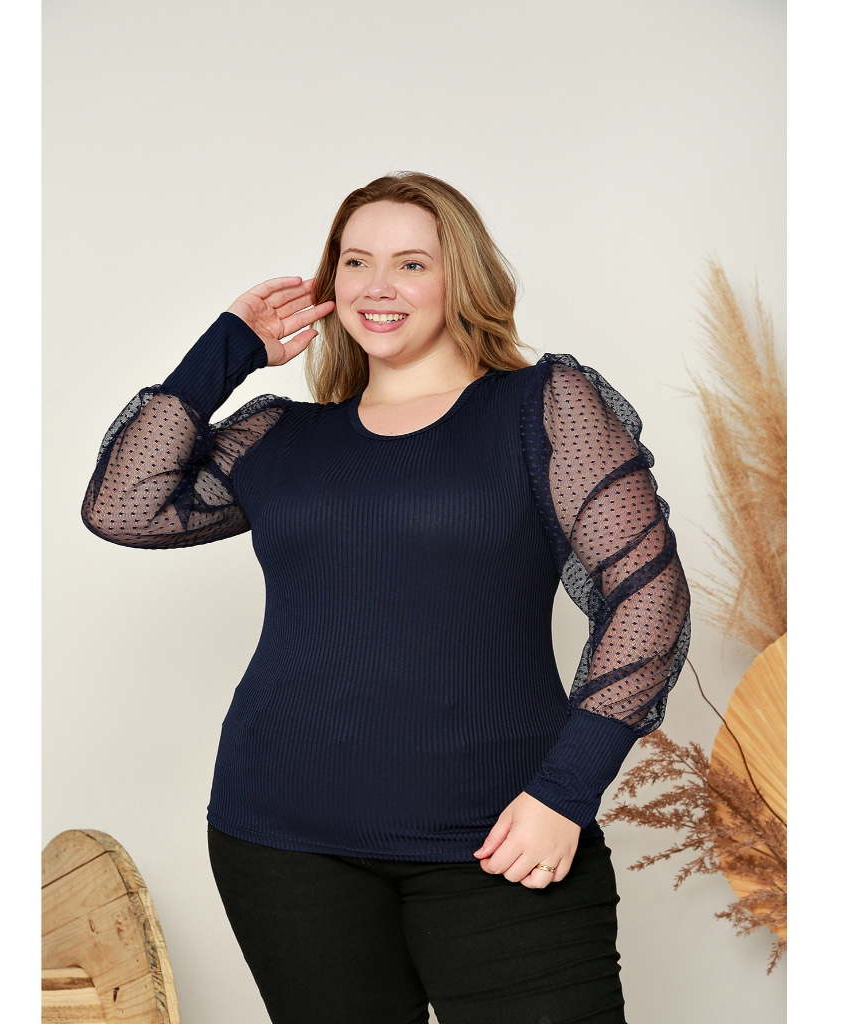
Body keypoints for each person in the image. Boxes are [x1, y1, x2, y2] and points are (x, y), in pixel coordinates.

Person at [82, 172, 690, 1024]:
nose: (378, 286)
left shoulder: (543, 406)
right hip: (282, 844)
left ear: (460, 278)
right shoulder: (278, 434)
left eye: (411, 263)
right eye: (356, 261)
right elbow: (122, 506)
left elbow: (648, 598)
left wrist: (566, 791)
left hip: (503, 835)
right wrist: (229, 347)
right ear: (330, 282)